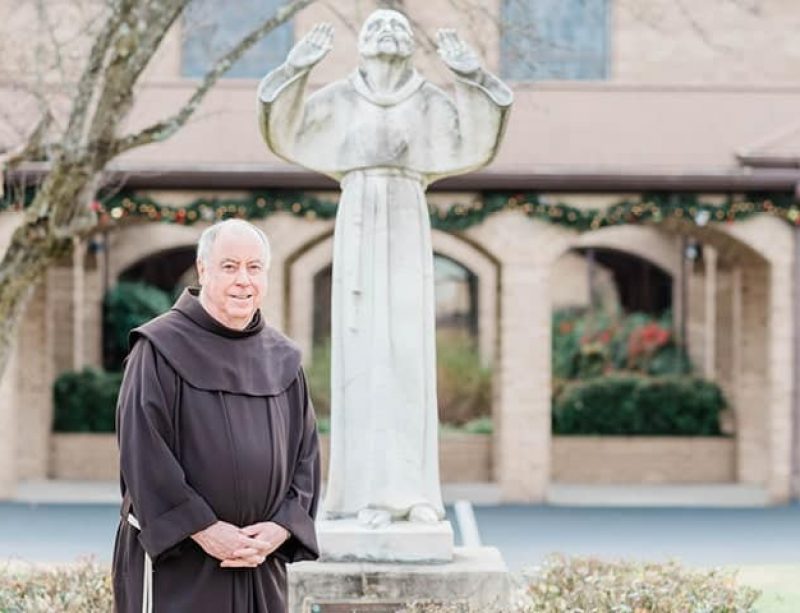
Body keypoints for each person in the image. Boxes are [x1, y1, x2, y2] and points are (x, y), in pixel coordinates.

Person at [258, 10, 512, 528]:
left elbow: (478, 139)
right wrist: (297, 68)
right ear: (361, 46)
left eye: (397, 26)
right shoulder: (340, 100)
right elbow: (285, 131)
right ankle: (359, 494)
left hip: (406, 222)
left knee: (407, 355)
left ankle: (414, 493)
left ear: (412, 46)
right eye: (375, 27)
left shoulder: (427, 101)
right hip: (357, 224)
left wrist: (472, 76)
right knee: (364, 358)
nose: (387, 32)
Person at [112, 219, 320, 613]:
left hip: (260, 560)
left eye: (254, 267)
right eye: (229, 266)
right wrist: (202, 528)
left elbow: (306, 457)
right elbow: (143, 454)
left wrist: (281, 527)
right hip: (180, 563)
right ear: (203, 270)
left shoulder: (284, 358)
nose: (244, 279)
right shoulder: (158, 348)